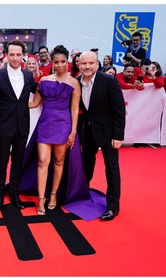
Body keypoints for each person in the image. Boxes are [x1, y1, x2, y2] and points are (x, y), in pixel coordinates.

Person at [28, 45, 81, 215]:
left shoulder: (74, 82)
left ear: (68, 62)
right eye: (56, 62)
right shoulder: (44, 80)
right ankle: (41, 199)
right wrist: (12, 104)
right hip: (46, 124)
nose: (59, 65)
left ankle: (53, 195)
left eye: (63, 62)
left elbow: (74, 109)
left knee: (59, 161)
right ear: (52, 62)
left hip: (63, 125)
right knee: (43, 161)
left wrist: (72, 131)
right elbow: (34, 103)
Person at [78, 51, 126, 221]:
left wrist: (118, 136)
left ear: (97, 64)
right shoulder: (77, 82)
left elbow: (119, 110)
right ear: (79, 65)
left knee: (111, 168)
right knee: (86, 164)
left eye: (91, 63)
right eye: (84, 63)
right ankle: (83, 194)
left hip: (108, 132)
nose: (88, 66)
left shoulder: (109, 81)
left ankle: (113, 206)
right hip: (88, 132)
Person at [0, 39, 38, 211]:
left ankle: (15, 194)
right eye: (12, 54)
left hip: (22, 126)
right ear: (6, 55)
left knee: (18, 163)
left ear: (23, 55)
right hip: (3, 126)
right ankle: (0, 195)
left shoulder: (28, 75)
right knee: (2, 162)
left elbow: (40, 90)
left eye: (18, 54)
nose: (15, 58)